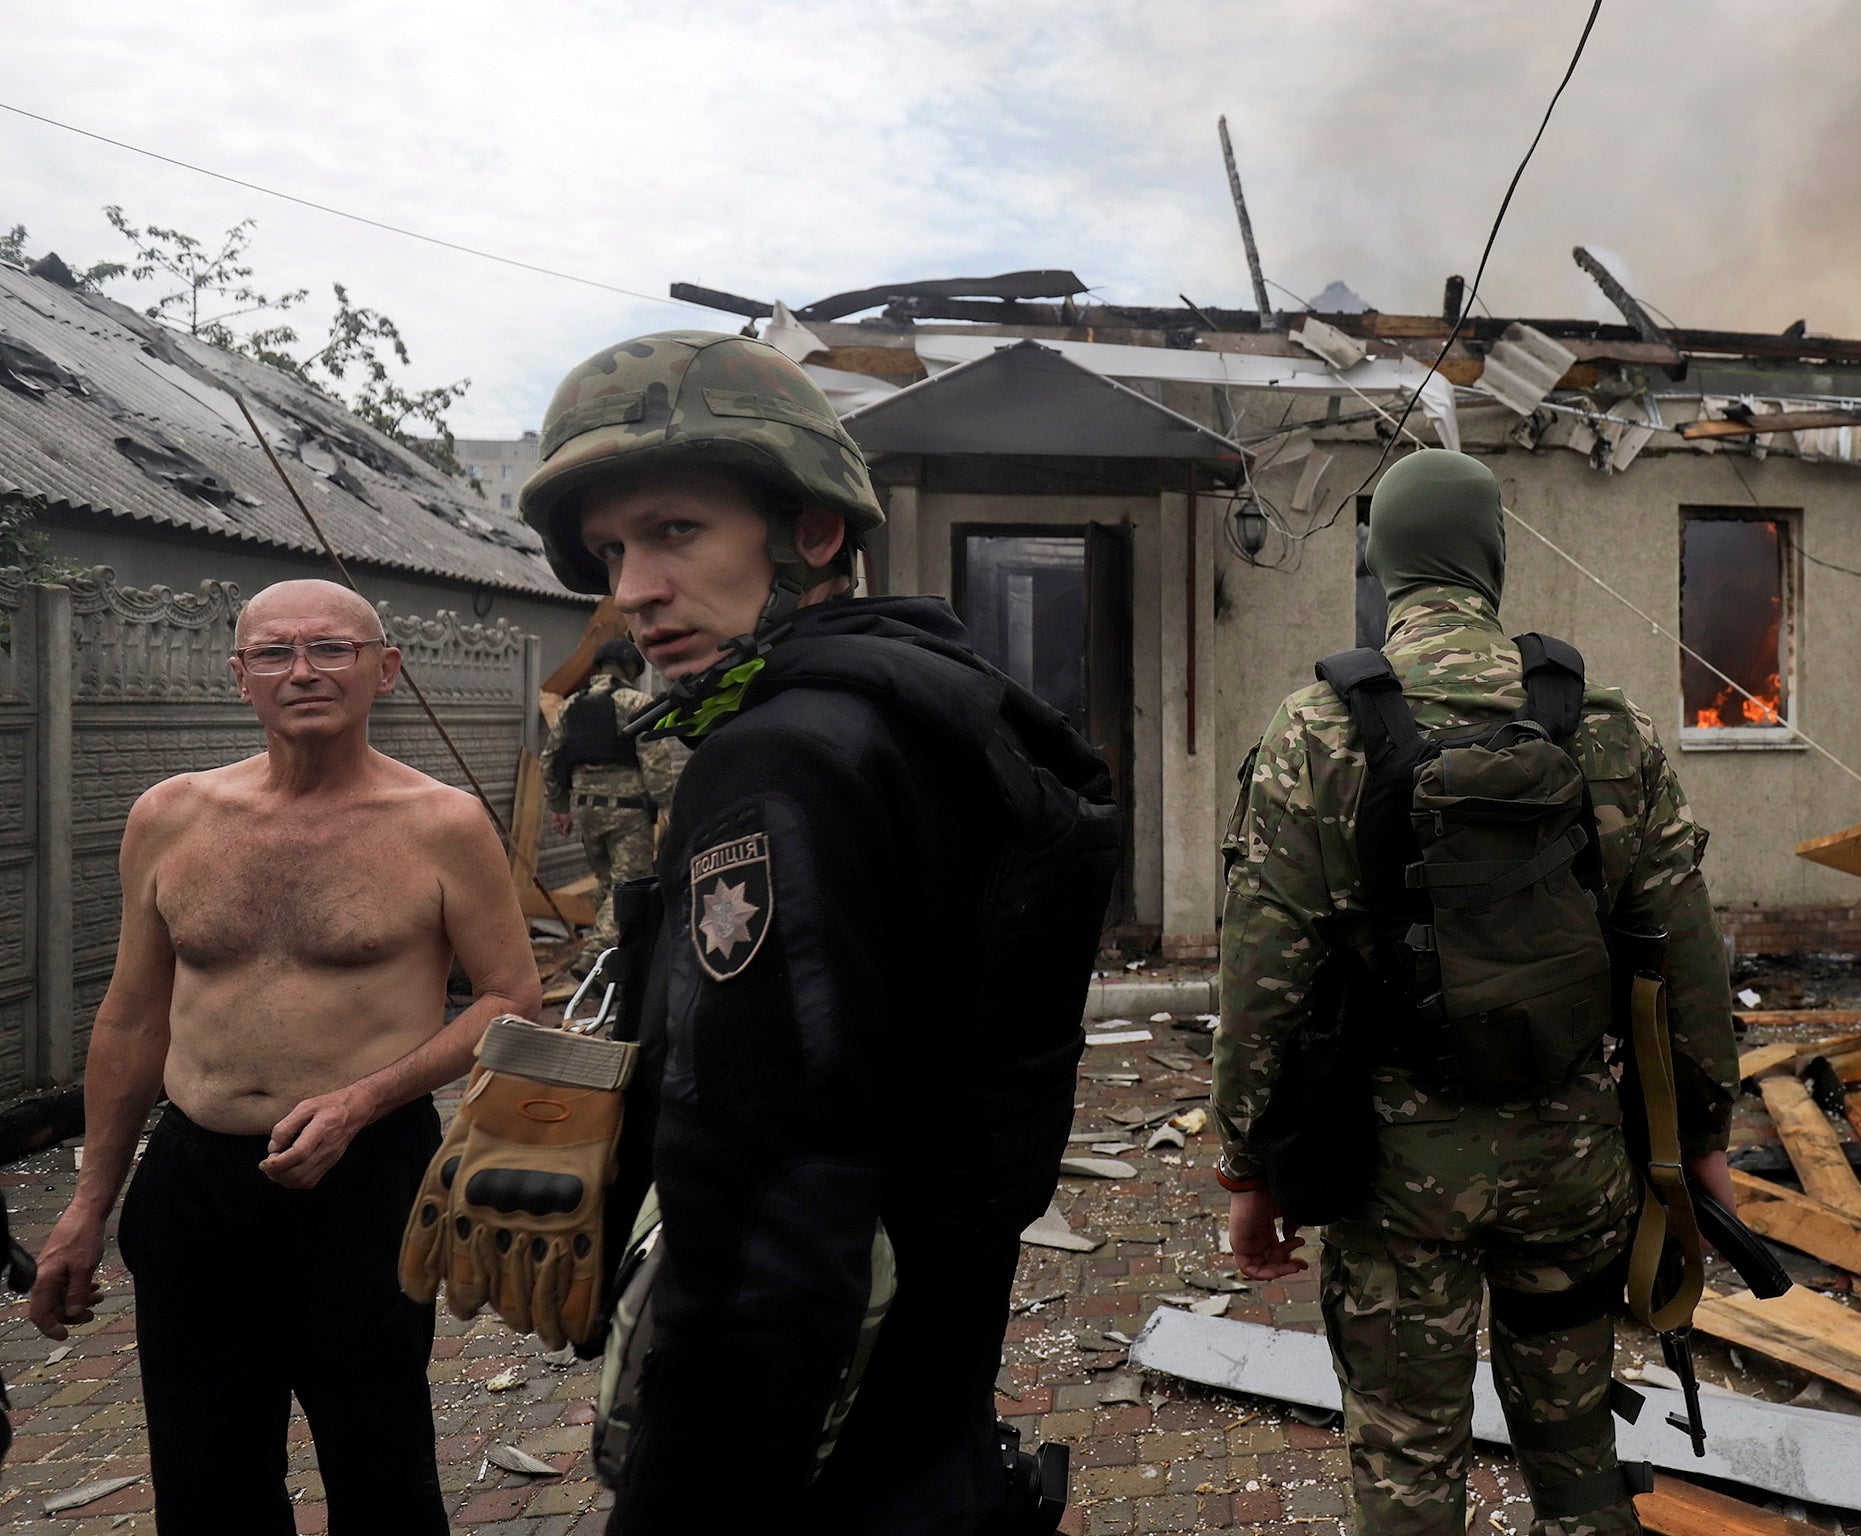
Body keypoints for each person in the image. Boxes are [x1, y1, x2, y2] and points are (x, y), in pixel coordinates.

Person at [513, 330, 1118, 1532]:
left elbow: (769, 1189)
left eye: (674, 531)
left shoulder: (780, 761)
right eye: (611, 551)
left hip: (811, 1436)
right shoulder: (928, 706)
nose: (631, 591)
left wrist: (686, 1497)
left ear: (812, 534)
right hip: (929, 1381)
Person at [1212, 450, 1739, 1536]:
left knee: (1405, 1459)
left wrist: (1247, 1170)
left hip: (1396, 1180)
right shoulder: (1605, 720)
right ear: (1492, 558)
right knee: (1576, 1443)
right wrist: (1703, 1138)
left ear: (1381, 563)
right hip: (1572, 1159)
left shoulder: (1313, 730)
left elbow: (1262, 973)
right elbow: (1684, 947)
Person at [27, 578, 542, 1536]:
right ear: (240, 677)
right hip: (195, 1181)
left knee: (380, 1470)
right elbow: (133, 1022)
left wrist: (362, 1100)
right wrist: (88, 1205)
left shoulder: (442, 825)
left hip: (365, 1180)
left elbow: (512, 1000)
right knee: (205, 1479)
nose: (302, 671)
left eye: (331, 649)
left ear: (383, 669)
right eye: (273, 653)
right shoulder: (171, 817)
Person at [539, 636, 681, 976]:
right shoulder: (636, 701)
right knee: (629, 886)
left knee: (606, 883)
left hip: (585, 808)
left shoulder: (571, 706)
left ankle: (613, 959)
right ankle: (594, 960)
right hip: (627, 811)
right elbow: (655, 758)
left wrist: (560, 807)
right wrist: (666, 803)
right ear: (632, 668)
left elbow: (550, 759)